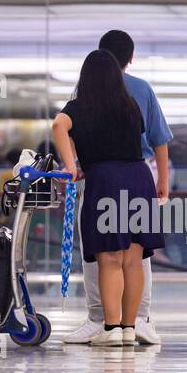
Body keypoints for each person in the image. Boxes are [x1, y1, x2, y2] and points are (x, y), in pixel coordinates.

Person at [53, 50, 166, 347]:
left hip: (105, 180)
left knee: (109, 260)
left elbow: (58, 126)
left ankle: (111, 328)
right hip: (139, 178)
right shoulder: (130, 106)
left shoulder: (80, 106)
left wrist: (70, 165)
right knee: (134, 258)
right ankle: (130, 329)